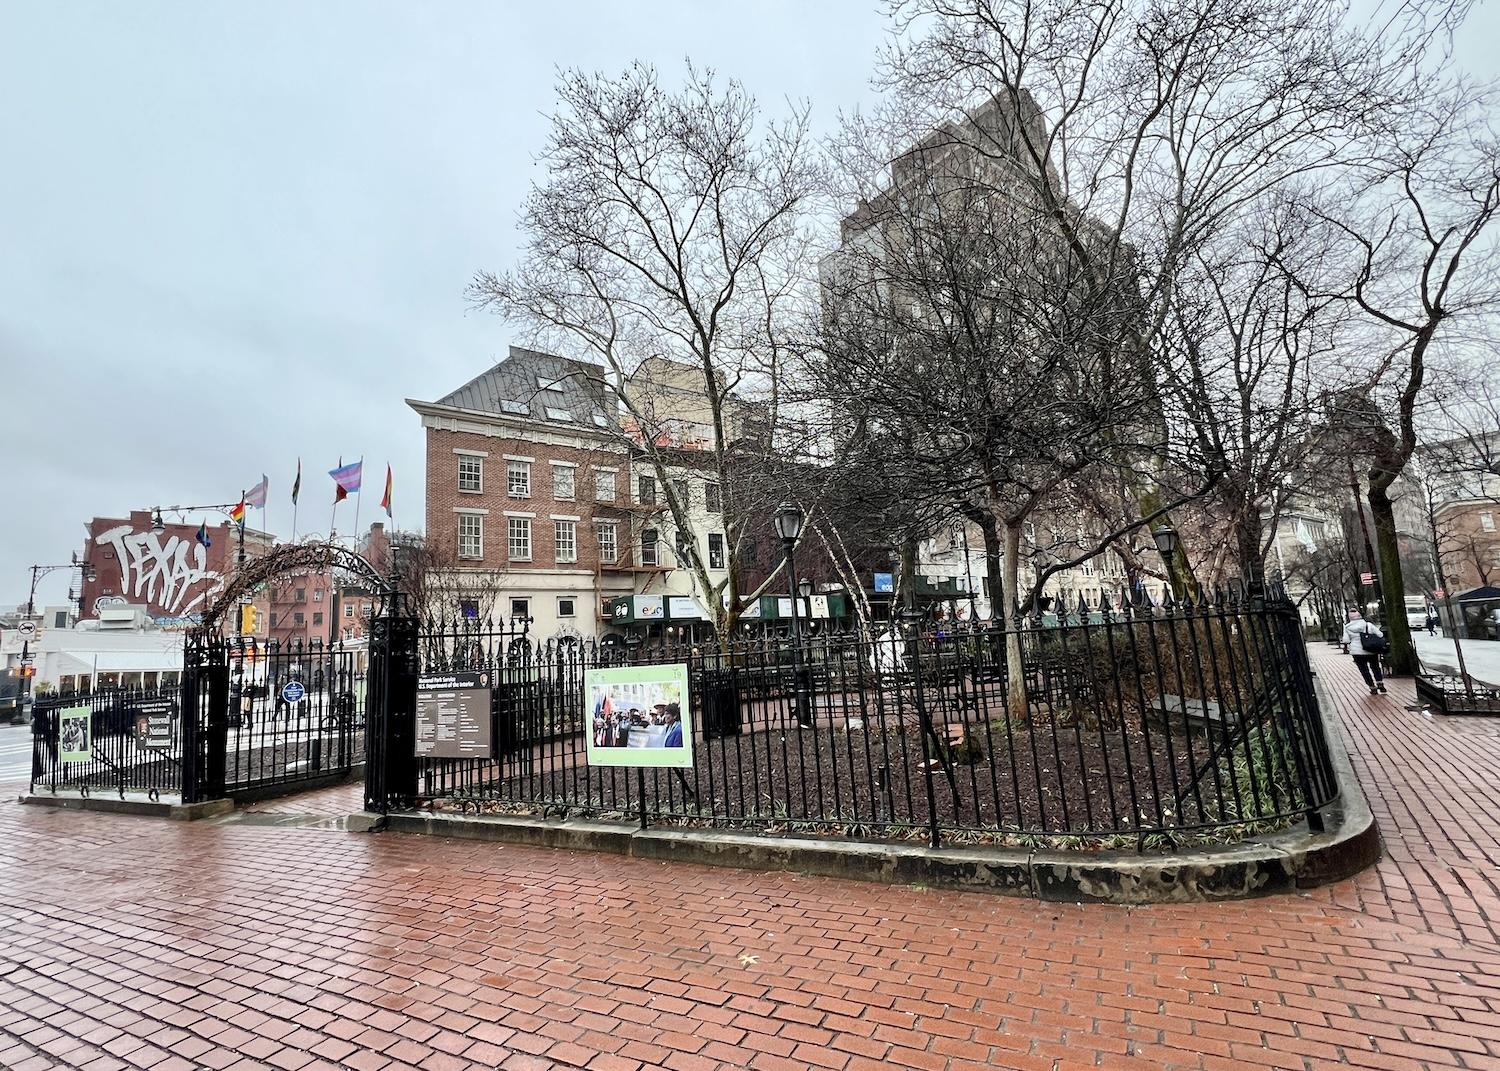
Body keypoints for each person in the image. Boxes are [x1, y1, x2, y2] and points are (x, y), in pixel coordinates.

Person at [1341, 609, 1387, 695]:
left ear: (1350, 618)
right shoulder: (1368, 625)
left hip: (1356, 652)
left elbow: (1346, 640)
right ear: (1360, 616)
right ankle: (1380, 682)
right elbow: (1380, 634)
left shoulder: (1347, 627)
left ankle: (1372, 687)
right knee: (1375, 667)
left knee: (1364, 670)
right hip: (1370, 650)